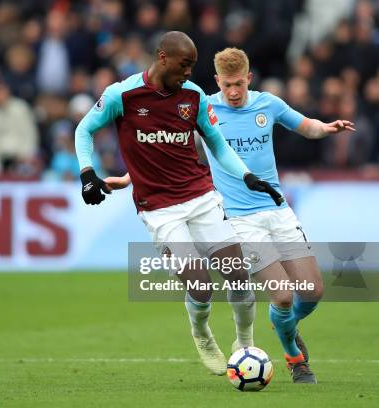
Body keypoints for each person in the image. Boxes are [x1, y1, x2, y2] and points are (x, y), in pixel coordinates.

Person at [106, 47, 355, 384]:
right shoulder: (200, 107)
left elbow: (305, 126)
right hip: (238, 219)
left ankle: (286, 325)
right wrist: (126, 178)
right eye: (227, 85)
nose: (234, 92)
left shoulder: (268, 103)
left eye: (239, 84)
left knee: (311, 292)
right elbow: (166, 152)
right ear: (217, 81)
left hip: (278, 210)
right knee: (281, 294)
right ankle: (294, 357)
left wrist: (327, 128)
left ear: (249, 78)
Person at [75, 32, 283, 376]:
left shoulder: (194, 96)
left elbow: (216, 144)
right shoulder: (121, 95)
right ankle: (202, 334)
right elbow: (84, 130)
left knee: (238, 276)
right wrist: (86, 173)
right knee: (201, 286)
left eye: (192, 66)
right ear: (162, 58)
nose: (188, 73)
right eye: (184, 65)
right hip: (158, 208)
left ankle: (244, 343)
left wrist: (247, 176)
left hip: (200, 197)